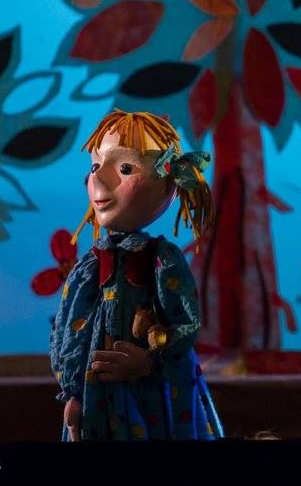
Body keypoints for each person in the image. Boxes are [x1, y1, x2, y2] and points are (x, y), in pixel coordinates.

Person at [49, 109, 223, 440]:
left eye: (125, 168)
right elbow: (67, 329)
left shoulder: (161, 260)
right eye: (95, 166)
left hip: (154, 399)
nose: (99, 180)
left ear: (167, 180)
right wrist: (71, 392)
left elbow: (184, 323)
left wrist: (151, 361)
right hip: (97, 400)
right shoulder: (89, 266)